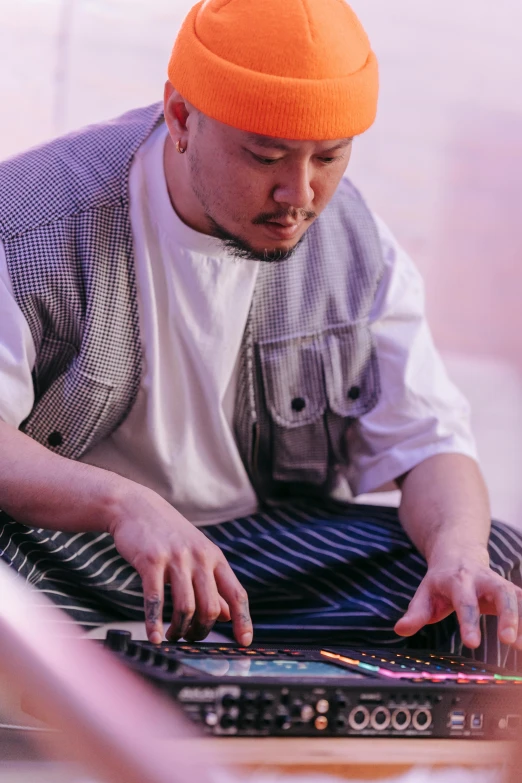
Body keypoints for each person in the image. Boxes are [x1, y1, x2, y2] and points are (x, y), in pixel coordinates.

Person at [0, 0, 521, 666]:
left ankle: (204, 668)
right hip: (70, 542)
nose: (298, 194)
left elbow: (429, 444)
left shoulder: (357, 249)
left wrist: (460, 553)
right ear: (183, 117)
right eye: (266, 155)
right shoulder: (30, 224)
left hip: (254, 557)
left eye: (329, 158)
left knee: (491, 574)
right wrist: (120, 502)